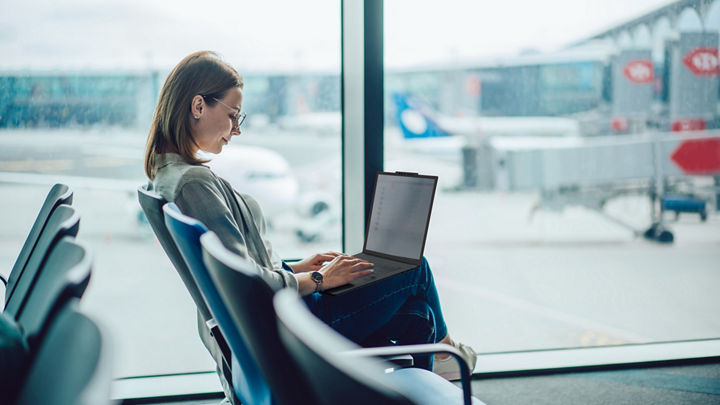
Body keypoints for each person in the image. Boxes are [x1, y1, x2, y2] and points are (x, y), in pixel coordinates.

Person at [144, 50, 476, 380]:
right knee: (415, 267)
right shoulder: (193, 184)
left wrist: (298, 267)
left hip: (279, 316)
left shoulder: (169, 176)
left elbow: (239, 268)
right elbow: (246, 286)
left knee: (420, 315)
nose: (236, 129)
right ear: (199, 106)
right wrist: (320, 280)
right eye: (233, 115)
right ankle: (447, 353)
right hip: (291, 320)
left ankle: (426, 375)